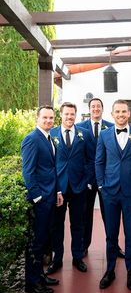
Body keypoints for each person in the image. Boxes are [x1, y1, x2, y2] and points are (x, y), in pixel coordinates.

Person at [95, 99, 131, 290]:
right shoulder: (103, 135)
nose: (120, 115)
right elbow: (99, 162)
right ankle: (110, 270)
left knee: (130, 233)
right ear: (112, 114)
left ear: (129, 114)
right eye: (117, 112)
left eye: (123, 112)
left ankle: (130, 272)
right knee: (111, 234)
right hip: (109, 192)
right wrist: (102, 186)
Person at [46, 102, 94, 275]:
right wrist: (54, 185)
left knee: (78, 224)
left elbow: (91, 159)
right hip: (58, 188)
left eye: (72, 114)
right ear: (61, 115)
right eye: (66, 114)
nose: (69, 117)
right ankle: (57, 259)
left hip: (79, 187)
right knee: (57, 225)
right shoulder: (51, 133)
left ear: (75, 115)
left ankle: (77, 257)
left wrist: (87, 181)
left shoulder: (85, 134)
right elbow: (48, 162)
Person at [22, 105, 63, 293]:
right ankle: (32, 282)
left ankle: (40, 275)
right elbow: (28, 172)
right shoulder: (32, 139)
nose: (48, 121)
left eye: (51, 118)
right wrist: (38, 197)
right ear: (37, 118)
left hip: (50, 197)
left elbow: (51, 169)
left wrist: (57, 193)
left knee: (44, 239)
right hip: (41, 200)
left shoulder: (49, 138)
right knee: (37, 242)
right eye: (45, 117)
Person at [77, 97, 125, 258]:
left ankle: (114, 245)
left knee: (110, 215)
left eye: (98, 106)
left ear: (102, 109)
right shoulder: (79, 128)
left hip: (108, 179)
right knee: (85, 214)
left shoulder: (111, 127)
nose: (96, 109)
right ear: (89, 109)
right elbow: (79, 155)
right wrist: (86, 176)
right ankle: (84, 246)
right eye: (93, 106)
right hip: (88, 180)